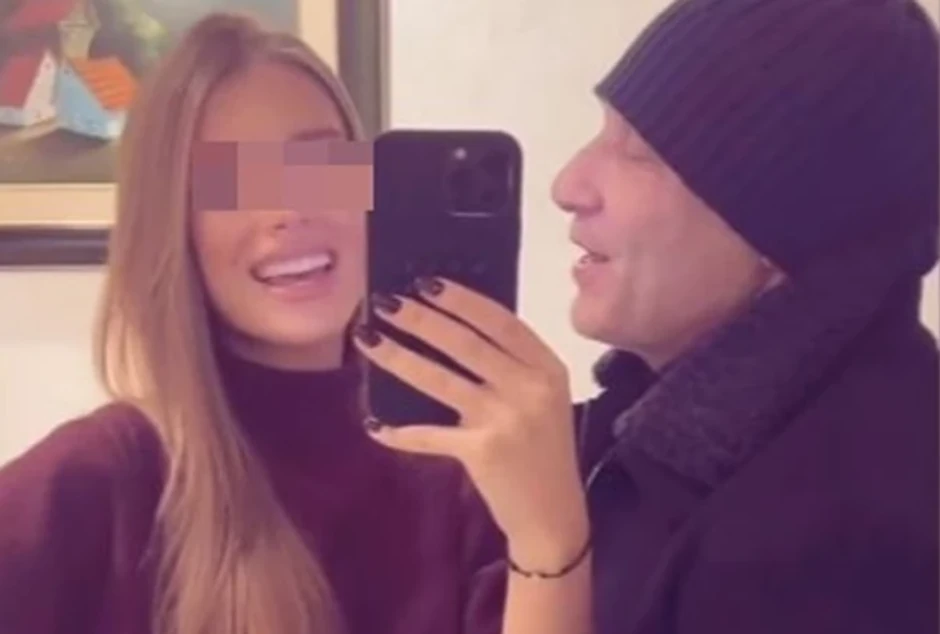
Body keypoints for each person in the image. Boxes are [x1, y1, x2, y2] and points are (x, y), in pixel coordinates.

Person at [0, 12, 591, 634]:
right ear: (173, 224)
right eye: (231, 182)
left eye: (320, 166)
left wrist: (549, 536)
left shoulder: (470, 464)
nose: (288, 210)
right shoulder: (97, 480)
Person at [360, 0, 939, 632]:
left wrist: (549, 549)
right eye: (603, 129)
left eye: (639, 151)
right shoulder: (664, 430)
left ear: (785, 224)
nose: (568, 185)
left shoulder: (838, 536)